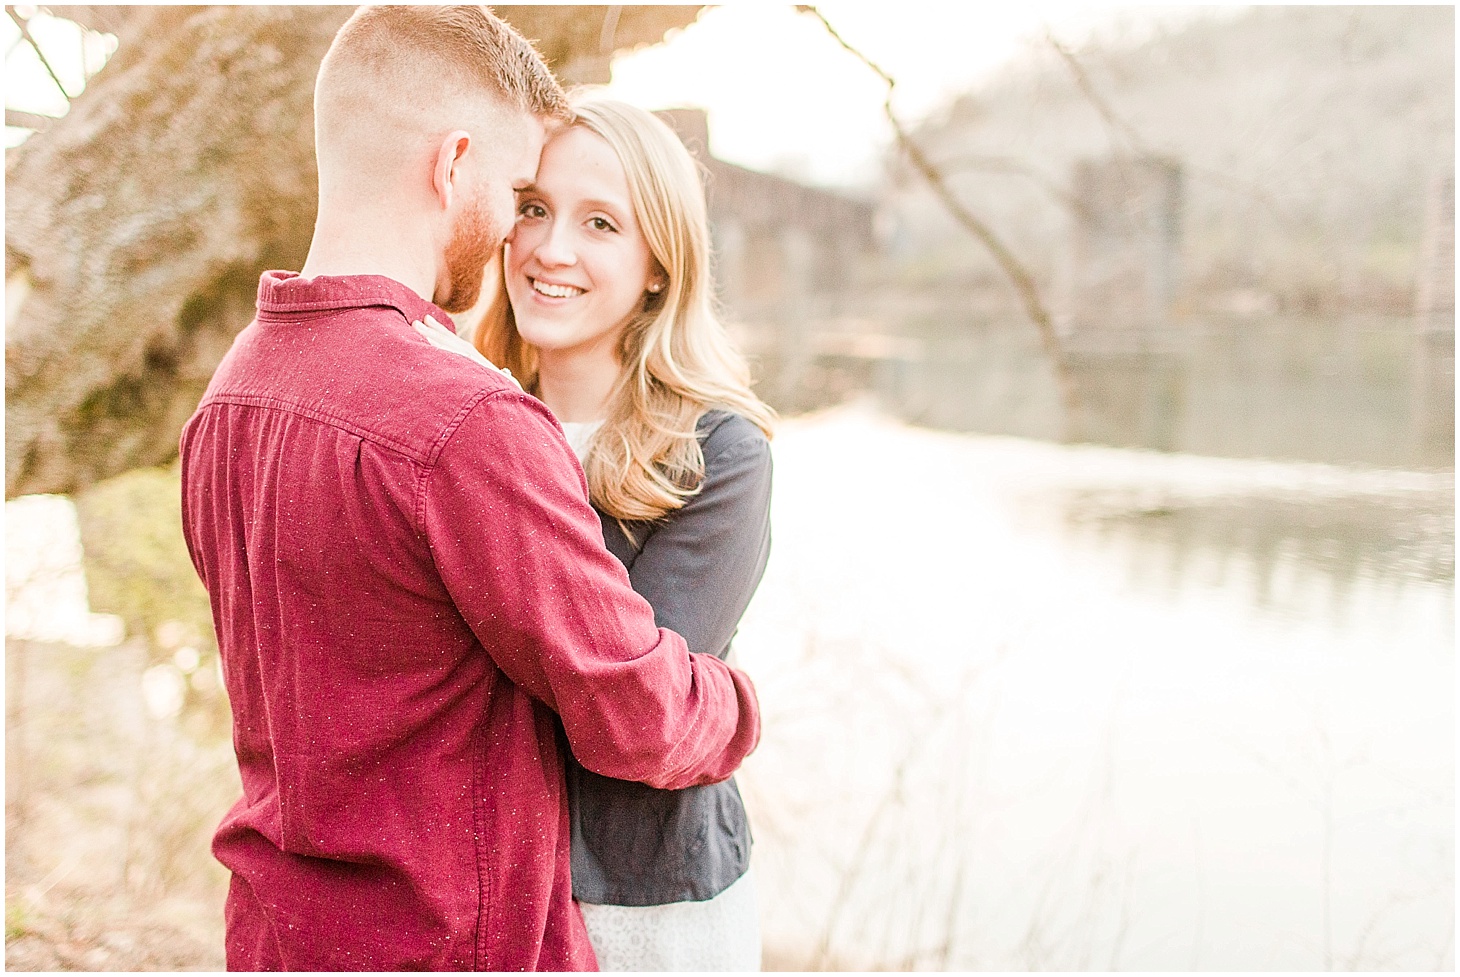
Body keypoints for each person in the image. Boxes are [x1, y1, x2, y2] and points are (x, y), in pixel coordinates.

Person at [177, 7, 760, 972]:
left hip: (279, 937)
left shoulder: (228, 399)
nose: (517, 231)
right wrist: (739, 703)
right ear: (453, 167)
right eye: (519, 191)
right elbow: (636, 714)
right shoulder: (467, 421)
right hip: (444, 944)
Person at [415, 91, 775, 971]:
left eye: (601, 223)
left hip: (642, 901)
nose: (552, 248)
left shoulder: (719, 453)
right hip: (474, 894)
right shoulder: (454, 424)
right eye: (533, 207)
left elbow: (631, 713)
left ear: (659, 265)